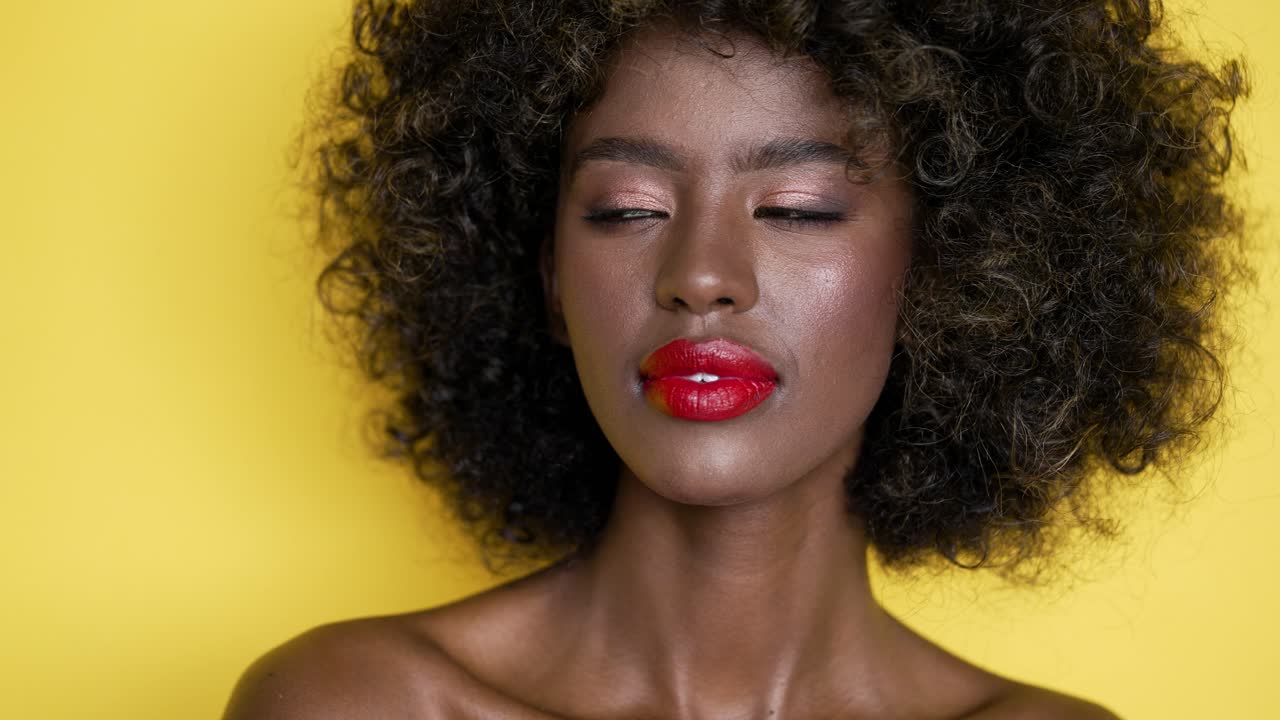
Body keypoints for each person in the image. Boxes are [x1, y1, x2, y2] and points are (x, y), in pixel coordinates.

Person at [224, 0, 1248, 717]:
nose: (699, 276)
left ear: (953, 268)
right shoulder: (362, 706)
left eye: (795, 211)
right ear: (544, 276)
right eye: (626, 209)